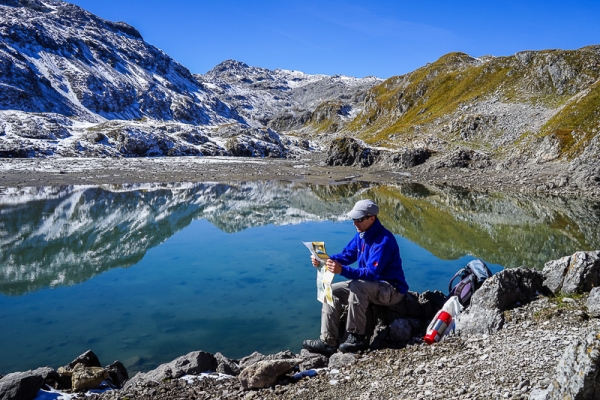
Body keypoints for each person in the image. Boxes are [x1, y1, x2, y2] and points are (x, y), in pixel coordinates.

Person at [303, 199, 408, 355]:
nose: (354, 223)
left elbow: (371, 273)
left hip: (390, 289)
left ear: (371, 218)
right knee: (331, 291)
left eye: (358, 219)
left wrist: (342, 270)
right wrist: (325, 260)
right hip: (372, 286)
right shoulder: (362, 235)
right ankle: (328, 341)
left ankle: (356, 337)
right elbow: (347, 255)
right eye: (353, 219)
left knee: (357, 285)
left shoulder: (383, 241)